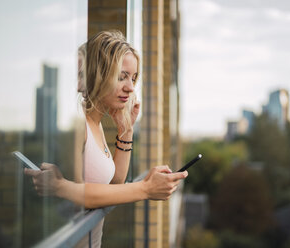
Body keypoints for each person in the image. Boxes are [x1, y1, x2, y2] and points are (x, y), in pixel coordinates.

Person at [24, 30, 188, 247]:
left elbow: (114, 183)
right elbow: (78, 192)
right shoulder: (77, 126)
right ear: (99, 74)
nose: (130, 87)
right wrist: (146, 188)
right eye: (121, 77)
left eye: (133, 78)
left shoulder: (96, 126)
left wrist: (126, 130)